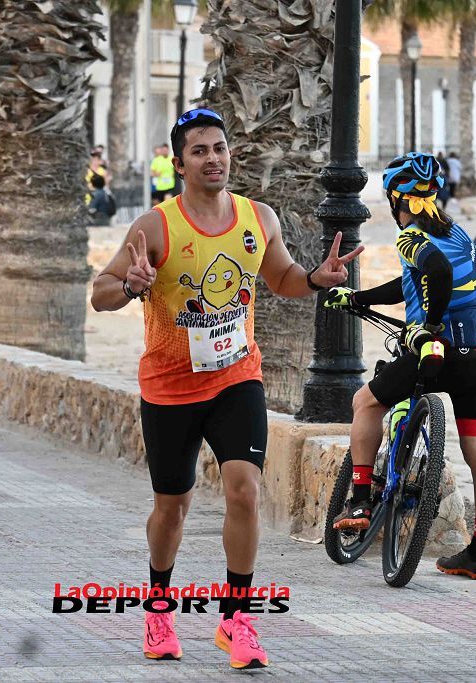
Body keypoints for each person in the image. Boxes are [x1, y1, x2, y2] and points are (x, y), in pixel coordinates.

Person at [91, 108, 363, 669]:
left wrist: (315, 278)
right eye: (199, 151)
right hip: (168, 388)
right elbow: (101, 292)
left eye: (220, 147)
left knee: (244, 490)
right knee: (173, 505)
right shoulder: (154, 227)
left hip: (237, 377)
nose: (213, 158)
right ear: (180, 161)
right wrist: (130, 284)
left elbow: (282, 278)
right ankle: (159, 609)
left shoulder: (258, 217)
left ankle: (237, 620)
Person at [328, 152, 476, 582]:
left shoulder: (411, 236)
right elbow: (415, 283)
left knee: (366, 402)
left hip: (441, 349)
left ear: (393, 198)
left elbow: (436, 274)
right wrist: (360, 297)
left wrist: (429, 327)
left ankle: (362, 500)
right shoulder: (457, 232)